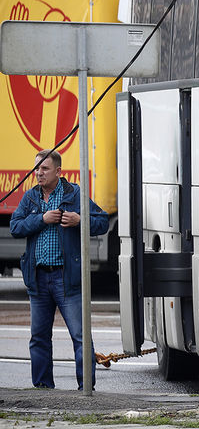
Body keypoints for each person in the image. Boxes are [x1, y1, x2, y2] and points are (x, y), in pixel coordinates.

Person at [9, 149, 109, 390]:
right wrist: (42, 219)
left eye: (44, 168)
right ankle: (43, 388)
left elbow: (103, 221)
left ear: (58, 171)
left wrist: (80, 220)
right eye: (36, 168)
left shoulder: (74, 194)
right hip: (38, 278)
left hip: (67, 278)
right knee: (39, 337)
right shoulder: (30, 197)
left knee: (80, 336)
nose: (38, 173)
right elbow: (15, 227)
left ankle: (86, 387)